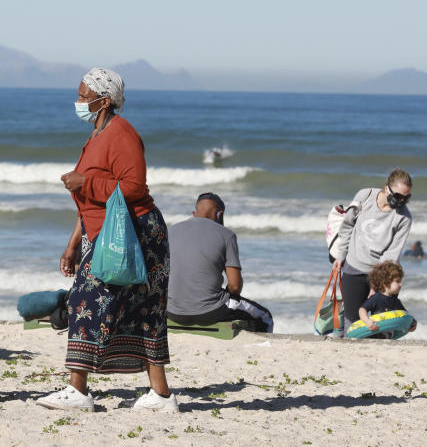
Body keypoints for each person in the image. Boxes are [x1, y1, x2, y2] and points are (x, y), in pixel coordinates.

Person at [37, 68, 176, 413]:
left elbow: (134, 188)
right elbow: (91, 205)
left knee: (85, 301)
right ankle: (161, 396)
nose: (79, 102)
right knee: (144, 310)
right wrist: (73, 244)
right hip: (109, 231)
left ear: (105, 100)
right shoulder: (97, 135)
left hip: (137, 232)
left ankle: (78, 390)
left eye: (84, 96)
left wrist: (85, 183)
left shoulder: (122, 133)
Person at [166, 192, 273, 333]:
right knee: (264, 316)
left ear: (194, 213)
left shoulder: (171, 231)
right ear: (219, 214)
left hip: (172, 310)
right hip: (210, 313)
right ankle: (260, 348)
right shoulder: (226, 234)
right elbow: (235, 286)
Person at [334, 169, 413, 335]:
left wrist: (378, 283)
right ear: (386, 189)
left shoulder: (404, 218)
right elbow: (348, 225)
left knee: (382, 322)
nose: (402, 201)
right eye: (398, 196)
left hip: (379, 274)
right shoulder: (365, 196)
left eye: (407, 198)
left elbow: (391, 254)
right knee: (353, 319)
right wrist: (340, 255)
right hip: (353, 268)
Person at [358, 261, 417, 338]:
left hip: (389, 337)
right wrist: (367, 321)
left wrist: (413, 323)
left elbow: (405, 315)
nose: (401, 284)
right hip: (375, 334)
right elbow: (362, 309)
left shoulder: (396, 301)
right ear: (386, 282)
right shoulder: (376, 298)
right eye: (398, 281)